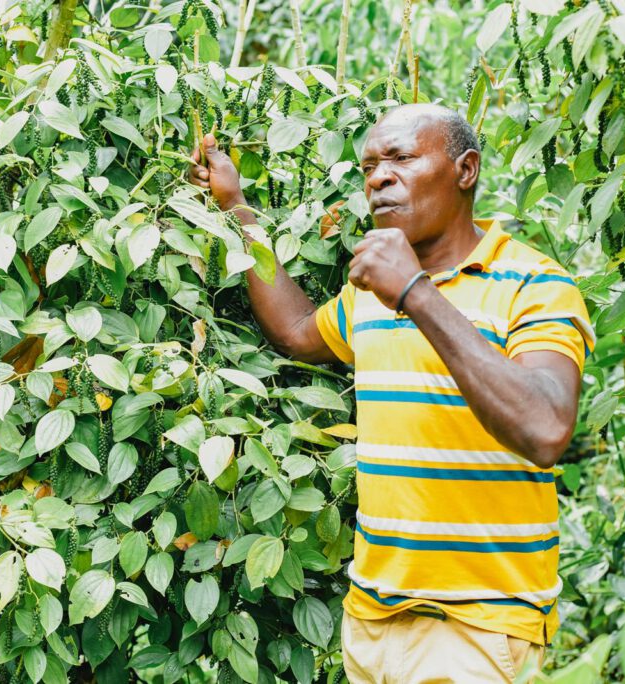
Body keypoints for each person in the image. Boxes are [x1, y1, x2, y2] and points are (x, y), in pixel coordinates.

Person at [189, 103, 594, 684]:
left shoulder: (535, 286)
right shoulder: (370, 293)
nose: (378, 177)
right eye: (370, 165)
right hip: (373, 622)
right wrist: (236, 208)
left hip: (477, 633)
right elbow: (298, 333)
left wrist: (415, 292)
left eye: (401, 158)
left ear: (466, 170)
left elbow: (546, 429)